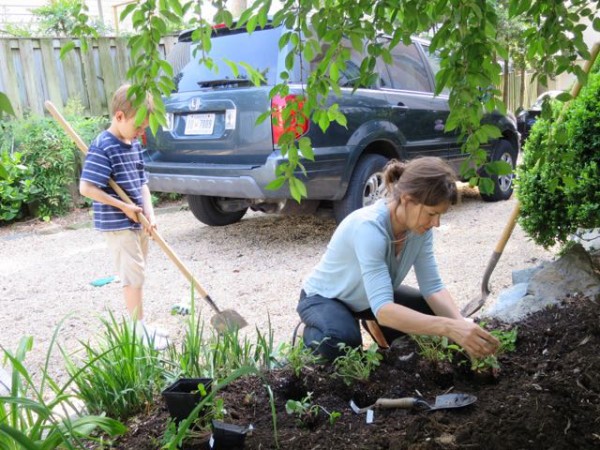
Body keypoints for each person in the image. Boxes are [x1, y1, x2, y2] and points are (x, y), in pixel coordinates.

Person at [297, 156, 500, 361]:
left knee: (430, 312)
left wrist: (460, 325)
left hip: (369, 297)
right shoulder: (369, 229)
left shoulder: (420, 230)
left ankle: (373, 324)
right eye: (431, 214)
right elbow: (385, 310)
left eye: (440, 215)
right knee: (342, 342)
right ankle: (314, 334)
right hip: (325, 298)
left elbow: (433, 287)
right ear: (407, 199)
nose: (436, 223)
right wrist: (448, 327)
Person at [79, 84, 168, 350]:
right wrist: (122, 206)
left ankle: (140, 325)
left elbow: (142, 182)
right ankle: (136, 331)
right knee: (133, 276)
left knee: (138, 273)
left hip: (138, 220)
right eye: (139, 126)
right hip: (119, 224)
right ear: (119, 117)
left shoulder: (133, 144)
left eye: (145, 128)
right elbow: (87, 188)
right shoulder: (103, 146)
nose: (143, 133)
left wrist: (149, 214)